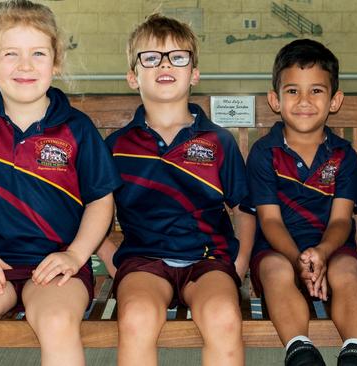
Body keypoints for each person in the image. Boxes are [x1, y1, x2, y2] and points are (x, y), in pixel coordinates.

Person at [0, 1, 120, 365]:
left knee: (56, 320)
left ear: (56, 61)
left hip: (56, 264)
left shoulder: (76, 128)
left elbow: (100, 200)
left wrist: (75, 255)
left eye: (37, 53)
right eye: (10, 53)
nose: (25, 65)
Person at [96, 14, 255, 366]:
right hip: (144, 261)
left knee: (223, 317)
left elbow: (243, 208)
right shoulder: (116, 147)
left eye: (177, 57)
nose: (164, 64)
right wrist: (111, 259)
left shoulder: (218, 141)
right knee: (136, 317)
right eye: (151, 57)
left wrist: (239, 264)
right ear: (132, 76)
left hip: (208, 259)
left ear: (194, 73)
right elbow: (92, 212)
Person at [246, 39, 357, 366]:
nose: (304, 101)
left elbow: (341, 221)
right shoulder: (264, 153)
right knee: (275, 270)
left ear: (335, 100)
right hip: (278, 249)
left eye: (316, 91)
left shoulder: (343, 155)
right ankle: (300, 350)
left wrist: (322, 253)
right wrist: (299, 260)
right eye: (293, 91)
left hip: (332, 248)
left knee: (347, 269)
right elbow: (270, 222)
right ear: (275, 100)